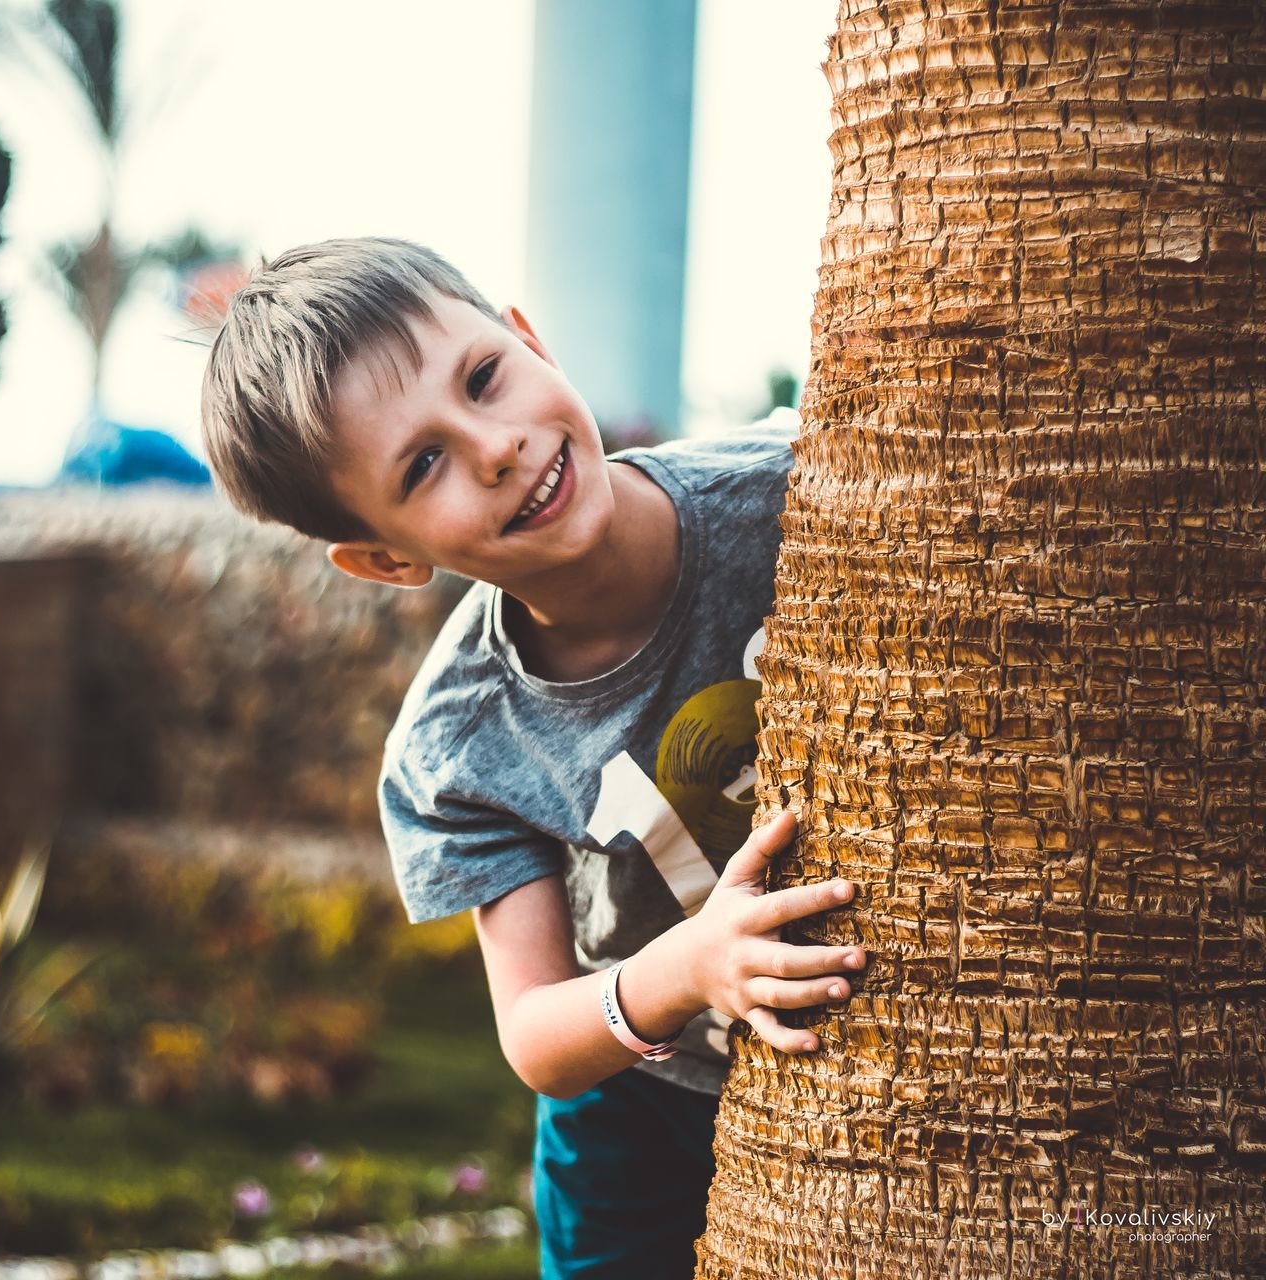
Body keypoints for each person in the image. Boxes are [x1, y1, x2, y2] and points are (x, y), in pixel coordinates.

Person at [200, 237, 867, 1279]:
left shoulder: (792, 498)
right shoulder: (457, 743)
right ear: (386, 558)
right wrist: (685, 966)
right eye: (422, 464)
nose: (495, 446)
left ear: (528, 340)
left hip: (854, 1055)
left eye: (483, 378)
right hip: (635, 1121)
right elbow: (535, 1031)